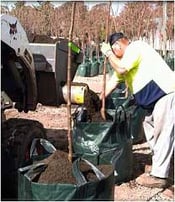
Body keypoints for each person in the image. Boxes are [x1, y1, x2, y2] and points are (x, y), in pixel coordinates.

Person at [100, 32, 175, 188]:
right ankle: (160, 166)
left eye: (114, 50)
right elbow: (114, 80)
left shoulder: (136, 47)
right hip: (150, 102)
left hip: (164, 94)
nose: (114, 54)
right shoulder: (126, 59)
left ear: (117, 46)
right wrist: (99, 98)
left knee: (163, 133)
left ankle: (159, 176)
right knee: (151, 132)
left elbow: (120, 70)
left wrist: (107, 53)